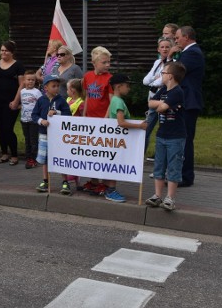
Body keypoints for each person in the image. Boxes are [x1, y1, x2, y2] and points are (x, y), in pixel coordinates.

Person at [146, 62, 187, 211]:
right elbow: (151, 103)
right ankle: (157, 195)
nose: (161, 75)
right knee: (159, 165)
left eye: (163, 73)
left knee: (174, 166)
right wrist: (164, 103)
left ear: (170, 76)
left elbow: (161, 108)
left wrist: (162, 104)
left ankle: (170, 198)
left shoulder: (177, 92)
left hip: (176, 136)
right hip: (161, 134)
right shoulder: (163, 90)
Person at [102, 73, 148, 202]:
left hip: (113, 139)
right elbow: (121, 122)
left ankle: (107, 188)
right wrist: (139, 126)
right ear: (118, 86)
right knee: (114, 163)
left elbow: (105, 119)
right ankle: (111, 190)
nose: (129, 89)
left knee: (111, 163)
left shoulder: (114, 101)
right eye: (127, 86)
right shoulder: (118, 102)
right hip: (118, 139)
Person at [172, 26, 205, 187]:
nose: (175, 40)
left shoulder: (192, 53)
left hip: (189, 102)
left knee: (185, 140)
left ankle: (185, 176)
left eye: (177, 37)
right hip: (184, 101)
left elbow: (175, 72)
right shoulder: (188, 53)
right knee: (180, 139)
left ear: (186, 37)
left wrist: (171, 55)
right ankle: (179, 173)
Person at [80, 46, 113, 194]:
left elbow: (112, 101)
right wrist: (84, 116)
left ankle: (104, 182)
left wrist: (105, 120)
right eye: (104, 62)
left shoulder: (109, 78)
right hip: (90, 120)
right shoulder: (87, 76)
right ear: (95, 62)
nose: (108, 65)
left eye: (108, 62)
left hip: (103, 121)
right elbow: (87, 96)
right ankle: (93, 181)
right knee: (91, 153)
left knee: (103, 153)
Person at [0, 40, 26, 165]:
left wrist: (16, 100)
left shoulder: (18, 65)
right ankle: (4, 153)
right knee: (0, 128)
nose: (3, 52)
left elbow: (22, 84)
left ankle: (14, 155)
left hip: (11, 101)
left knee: (8, 128)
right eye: (2, 50)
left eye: (6, 50)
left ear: (12, 52)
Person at [33, 75, 71, 193]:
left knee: (60, 158)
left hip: (58, 136)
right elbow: (34, 115)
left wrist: (56, 113)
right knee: (45, 159)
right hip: (44, 134)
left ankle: (65, 182)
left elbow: (68, 115)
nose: (56, 88)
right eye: (53, 86)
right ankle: (45, 180)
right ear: (46, 87)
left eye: (58, 86)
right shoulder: (41, 100)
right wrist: (41, 121)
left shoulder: (61, 100)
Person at [142, 37, 174, 159]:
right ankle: (140, 156)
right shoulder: (157, 63)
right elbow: (145, 80)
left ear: (171, 49)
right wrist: (155, 80)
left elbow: (162, 81)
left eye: (167, 47)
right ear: (158, 49)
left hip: (164, 99)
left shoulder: (173, 62)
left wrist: (155, 80)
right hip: (152, 98)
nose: (165, 49)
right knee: (146, 127)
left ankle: (162, 158)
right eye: (162, 47)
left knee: (164, 128)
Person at [19, 71, 42, 169]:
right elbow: (23, 104)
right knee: (27, 139)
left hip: (33, 120)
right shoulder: (22, 91)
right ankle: (28, 157)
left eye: (33, 80)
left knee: (33, 140)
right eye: (28, 79)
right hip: (24, 119)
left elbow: (41, 104)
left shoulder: (37, 92)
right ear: (24, 81)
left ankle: (33, 158)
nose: (30, 82)